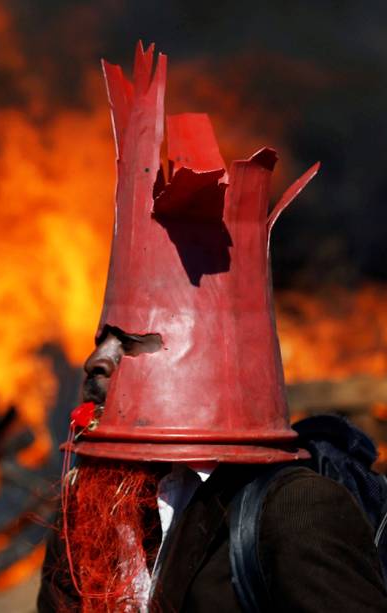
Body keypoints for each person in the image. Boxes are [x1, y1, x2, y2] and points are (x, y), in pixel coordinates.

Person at [37, 43, 387, 612]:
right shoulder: (87, 512)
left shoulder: (294, 511)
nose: (97, 361)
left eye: (131, 341)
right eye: (103, 337)